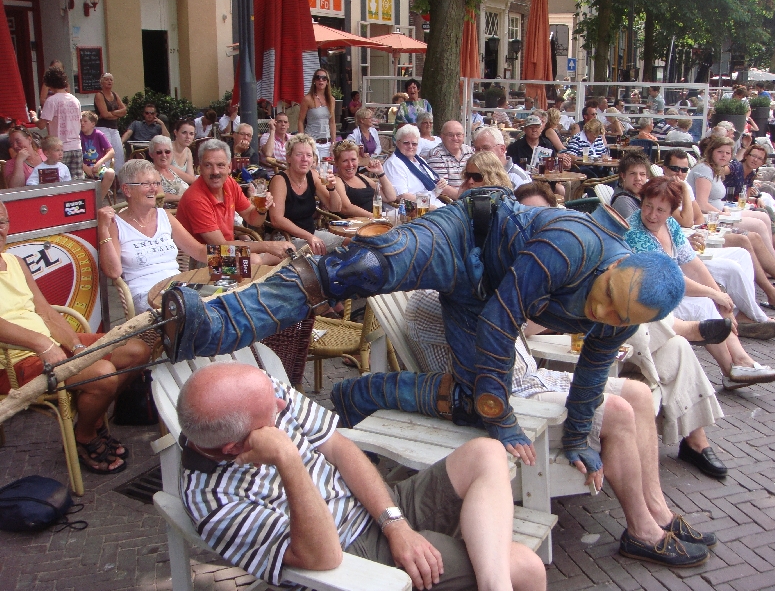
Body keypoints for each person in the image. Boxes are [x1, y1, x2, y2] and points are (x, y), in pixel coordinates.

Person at [162, 186, 685, 474]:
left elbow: (592, 372)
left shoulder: (628, 312)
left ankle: (359, 391)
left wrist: (577, 439)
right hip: (465, 238)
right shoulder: (576, 242)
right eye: (608, 297)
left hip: (479, 298)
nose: (605, 316)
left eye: (621, 319)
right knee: (357, 269)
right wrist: (502, 418)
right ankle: (213, 325)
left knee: (468, 401)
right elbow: (503, 323)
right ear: (615, 267)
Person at [404, 288, 714, 566]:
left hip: (536, 380)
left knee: (639, 394)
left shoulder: (481, 285)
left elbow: (524, 320)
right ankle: (642, 531)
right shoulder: (438, 298)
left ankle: (658, 511)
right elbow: (491, 372)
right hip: (509, 406)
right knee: (618, 411)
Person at [177, 361, 547, 590]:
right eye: (272, 414)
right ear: (234, 447)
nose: (283, 404)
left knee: (487, 451)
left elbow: (339, 448)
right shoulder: (215, 503)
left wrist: (395, 525)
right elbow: (323, 558)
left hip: (379, 507)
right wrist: (288, 460)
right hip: (353, 555)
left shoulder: (262, 393)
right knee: (526, 570)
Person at [0, 200, 150, 474]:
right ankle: (85, 436)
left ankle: (89, 421)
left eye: (2, 222)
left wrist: (77, 346)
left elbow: (45, 312)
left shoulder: (15, 261)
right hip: (13, 362)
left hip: (49, 347)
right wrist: (41, 344)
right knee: (103, 373)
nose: (0, 230)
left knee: (137, 349)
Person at [625, 178, 775, 390]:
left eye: (661, 210)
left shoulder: (670, 225)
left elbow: (694, 266)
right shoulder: (634, 232)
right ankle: (735, 366)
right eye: (648, 207)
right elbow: (668, 277)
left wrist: (722, 301)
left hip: (668, 292)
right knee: (704, 305)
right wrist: (713, 295)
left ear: (672, 211)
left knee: (712, 303)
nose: (652, 215)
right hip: (644, 299)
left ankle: (738, 365)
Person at [664, 148, 775, 317]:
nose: (679, 173)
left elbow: (697, 218)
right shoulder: (665, 189)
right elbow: (687, 220)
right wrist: (684, 190)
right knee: (745, 239)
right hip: (686, 241)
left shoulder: (690, 183)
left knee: (754, 236)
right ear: (664, 168)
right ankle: (771, 295)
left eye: (684, 170)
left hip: (698, 232)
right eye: (674, 168)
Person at [97, 160, 211, 314]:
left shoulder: (165, 216)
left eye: (156, 183)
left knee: (227, 298)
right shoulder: (115, 225)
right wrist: (103, 230)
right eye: (147, 184)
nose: (154, 189)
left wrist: (240, 259)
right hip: (146, 296)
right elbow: (114, 272)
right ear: (127, 190)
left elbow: (198, 251)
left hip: (180, 288)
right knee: (193, 312)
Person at [175, 139, 294, 263]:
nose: (215, 172)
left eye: (220, 165)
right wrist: (268, 246)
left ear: (229, 167)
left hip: (228, 251)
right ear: (200, 168)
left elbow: (254, 219)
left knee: (288, 251)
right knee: (253, 261)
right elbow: (221, 246)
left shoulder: (229, 183)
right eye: (208, 165)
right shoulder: (195, 199)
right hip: (200, 261)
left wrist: (261, 209)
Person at [267, 134, 343, 255]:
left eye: (309, 155)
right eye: (299, 154)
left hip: (311, 234)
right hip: (284, 238)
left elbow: (336, 207)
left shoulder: (312, 175)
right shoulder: (280, 180)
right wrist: (309, 237)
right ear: (288, 158)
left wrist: (332, 188)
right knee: (317, 251)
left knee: (350, 243)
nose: (305, 159)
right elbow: (277, 219)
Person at [29, 67, 83, 180]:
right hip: (76, 146)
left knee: (59, 182)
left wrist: (34, 118)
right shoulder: (74, 100)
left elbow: (41, 124)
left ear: (50, 83)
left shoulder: (51, 101)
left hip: (58, 147)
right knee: (77, 183)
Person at [383, 124, 447, 208]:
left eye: (414, 144)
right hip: (415, 211)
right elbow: (402, 196)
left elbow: (431, 192)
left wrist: (440, 187)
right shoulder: (394, 164)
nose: (410, 146)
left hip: (435, 204)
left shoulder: (419, 160)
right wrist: (429, 206)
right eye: (406, 143)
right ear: (398, 143)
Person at [331, 139, 396, 216]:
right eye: (345, 161)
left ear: (358, 160)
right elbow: (346, 208)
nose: (350, 165)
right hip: (362, 223)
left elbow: (390, 197)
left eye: (353, 160)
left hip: (380, 219)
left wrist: (380, 172)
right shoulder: (337, 181)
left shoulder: (361, 177)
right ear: (336, 162)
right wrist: (375, 217)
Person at [426, 121, 474, 200]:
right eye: (450, 135)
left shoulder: (469, 151)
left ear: (463, 136)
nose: (455, 138)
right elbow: (443, 188)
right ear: (442, 136)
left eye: (458, 134)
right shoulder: (436, 154)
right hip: (451, 203)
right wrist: (466, 200)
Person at [298, 69, 336, 159]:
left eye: (324, 78)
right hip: (312, 141)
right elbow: (300, 121)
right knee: (313, 170)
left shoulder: (331, 100)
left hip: (327, 142)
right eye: (318, 78)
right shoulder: (307, 99)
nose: (321, 80)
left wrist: (333, 142)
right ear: (314, 81)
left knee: (327, 170)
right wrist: (303, 141)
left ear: (327, 82)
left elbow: (332, 122)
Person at [93, 72, 127, 169]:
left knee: (119, 153)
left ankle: (118, 179)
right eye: (106, 79)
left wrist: (111, 113)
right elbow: (104, 114)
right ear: (101, 82)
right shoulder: (99, 95)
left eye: (111, 79)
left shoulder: (115, 95)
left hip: (114, 128)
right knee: (106, 153)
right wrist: (117, 114)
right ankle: (106, 176)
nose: (109, 81)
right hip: (103, 127)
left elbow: (124, 110)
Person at [79, 112, 116, 199]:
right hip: (82, 167)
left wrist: (99, 163)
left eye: (85, 121)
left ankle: (99, 200)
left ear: (93, 124)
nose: (82, 123)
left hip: (97, 166)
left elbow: (111, 151)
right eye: (80, 121)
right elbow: (75, 155)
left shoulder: (98, 134)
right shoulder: (78, 136)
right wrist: (85, 167)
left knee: (110, 173)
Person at [610, 152, 651, 219]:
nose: (638, 178)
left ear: (647, 176)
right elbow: (632, 229)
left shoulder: (644, 195)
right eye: (632, 173)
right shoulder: (623, 202)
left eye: (642, 174)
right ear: (623, 176)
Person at [149, 135, 188, 203]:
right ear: (151, 154)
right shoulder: (152, 173)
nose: (164, 155)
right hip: (173, 210)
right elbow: (160, 195)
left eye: (167, 152)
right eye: (159, 152)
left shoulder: (171, 168)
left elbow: (194, 180)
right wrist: (184, 198)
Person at [170, 119, 196, 184]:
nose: (188, 137)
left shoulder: (188, 151)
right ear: (176, 133)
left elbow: (191, 178)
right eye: (184, 132)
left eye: (191, 134)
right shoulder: (167, 150)